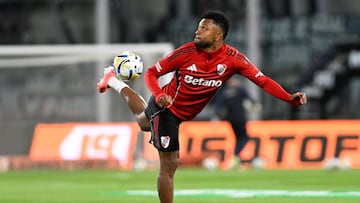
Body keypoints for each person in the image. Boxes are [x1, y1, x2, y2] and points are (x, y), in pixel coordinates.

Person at [97, 10, 307, 203]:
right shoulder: (186, 52)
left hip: (179, 112)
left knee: (143, 121)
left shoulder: (233, 59)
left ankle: (113, 80)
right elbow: (152, 73)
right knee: (169, 164)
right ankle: (115, 82)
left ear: (218, 35)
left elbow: (263, 80)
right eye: (198, 26)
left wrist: (289, 97)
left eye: (204, 28)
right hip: (166, 108)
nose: (198, 31)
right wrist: (160, 94)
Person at [212, 77, 261, 169]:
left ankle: (238, 161)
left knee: (238, 139)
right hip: (240, 118)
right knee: (244, 138)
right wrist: (255, 105)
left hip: (230, 119)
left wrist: (216, 117)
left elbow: (219, 105)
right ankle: (235, 156)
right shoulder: (240, 90)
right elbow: (251, 99)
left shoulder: (225, 92)